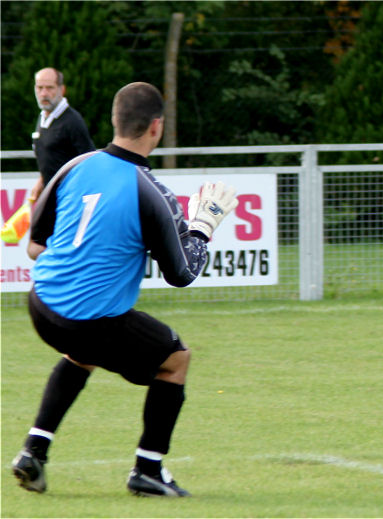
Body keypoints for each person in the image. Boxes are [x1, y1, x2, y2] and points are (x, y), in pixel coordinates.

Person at [11, 82, 239, 497]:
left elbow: (34, 246)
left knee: (81, 355)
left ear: (114, 121)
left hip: (41, 304)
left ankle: (34, 451)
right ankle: (148, 470)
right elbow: (183, 274)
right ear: (157, 127)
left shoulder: (74, 166)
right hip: (87, 320)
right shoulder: (150, 191)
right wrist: (205, 224)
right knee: (176, 359)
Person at [30, 67, 96, 203]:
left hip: (69, 201)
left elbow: (90, 162)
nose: (44, 93)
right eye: (40, 87)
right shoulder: (43, 117)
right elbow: (52, 157)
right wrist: (41, 181)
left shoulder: (72, 121)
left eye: (50, 88)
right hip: (50, 199)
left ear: (62, 90)